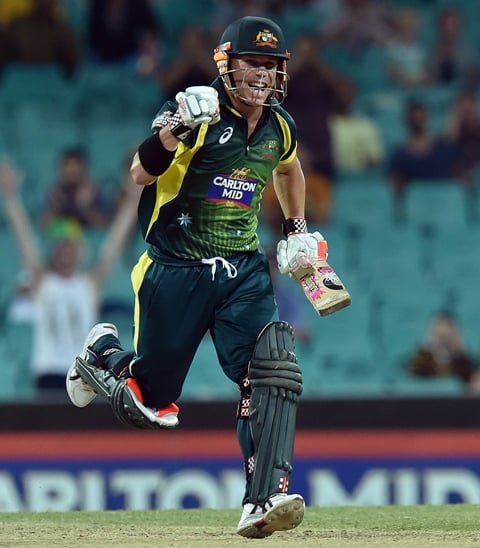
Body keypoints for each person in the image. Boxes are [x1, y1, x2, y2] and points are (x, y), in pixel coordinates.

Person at [66, 15, 329, 538]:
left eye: (271, 66)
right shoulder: (196, 112)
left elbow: (288, 167)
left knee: (274, 365)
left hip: (243, 268)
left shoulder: (280, 127)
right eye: (251, 63)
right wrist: (176, 128)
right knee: (150, 402)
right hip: (175, 267)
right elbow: (140, 173)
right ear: (225, 63)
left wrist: (296, 228)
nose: (261, 76)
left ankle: (262, 500)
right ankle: (104, 357)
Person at [0, 160, 140, 394]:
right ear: (54, 250)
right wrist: (10, 196)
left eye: (70, 246)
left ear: (79, 250)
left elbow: (114, 245)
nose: (66, 251)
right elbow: (23, 237)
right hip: (48, 373)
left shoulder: (89, 283)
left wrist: (134, 200)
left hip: (82, 374)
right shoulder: (44, 281)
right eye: (61, 246)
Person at [39, 147, 110, 230]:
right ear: (60, 169)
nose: (71, 170)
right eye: (67, 165)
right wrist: (54, 208)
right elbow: (41, 227)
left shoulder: (95, 193)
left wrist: (87, 208)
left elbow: (104, 228)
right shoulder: (53, 193)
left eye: (76, 164)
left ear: (84, 169)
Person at [407, 310, 476, 386]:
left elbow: (470, 380)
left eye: (446, 335)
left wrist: (459, 352)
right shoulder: (422, 358)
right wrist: (425, 350)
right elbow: (412, 375)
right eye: (439, 334)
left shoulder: (465, 361)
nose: (443, 332)